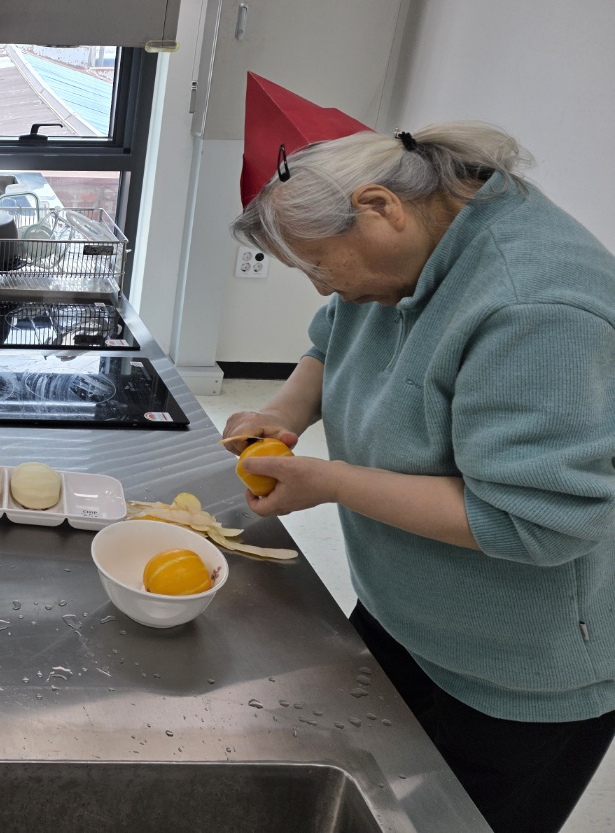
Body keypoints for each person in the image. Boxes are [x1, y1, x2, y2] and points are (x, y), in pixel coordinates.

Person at [225, 121, 615, 833]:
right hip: (403, 613)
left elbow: (533, 521)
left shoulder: (536, 308)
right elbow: (331, 338)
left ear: (380, 207)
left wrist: (332, 482)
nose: (322, 287)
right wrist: (283, 412)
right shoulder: (416, 242)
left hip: (516, 671)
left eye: (320, 265)